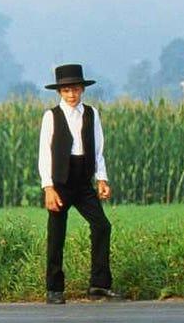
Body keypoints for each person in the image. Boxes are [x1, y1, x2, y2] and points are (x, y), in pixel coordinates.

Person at [39, 63, 123, 304]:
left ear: (82, 90)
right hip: (60, 181)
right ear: (59, 93)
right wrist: (48, 187)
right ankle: (54, 288)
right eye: (66, 90)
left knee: (102, 226)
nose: (72, 94)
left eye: (75, 89)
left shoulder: (91, 113)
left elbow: (98, 148)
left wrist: (101, 178)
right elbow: (44, 153)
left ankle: (99, 284)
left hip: (83, 179)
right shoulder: (51, 116)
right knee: (56, 234)